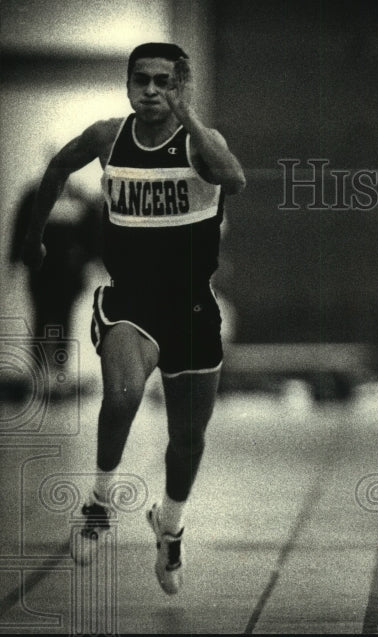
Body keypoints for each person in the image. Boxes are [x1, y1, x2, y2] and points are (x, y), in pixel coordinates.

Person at [20, 42, 246, 595]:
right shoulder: (107, 137)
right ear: (127, 85)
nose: (150, 90)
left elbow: (234, 179)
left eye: (163, 81)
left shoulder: (201, 144)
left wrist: (188, 112)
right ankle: (99, 503)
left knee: (187, 437)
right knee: (120, 394)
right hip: (130, 303)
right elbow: (56, 166)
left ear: (181, 86)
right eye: (140, 79)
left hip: (192, 307)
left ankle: (169, 526)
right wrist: (33, 238)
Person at [8, 173, 102, 397]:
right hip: (44, 272)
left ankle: (57, 374)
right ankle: (41, 372)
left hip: (67, 274)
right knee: (42, 319)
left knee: (61, 321)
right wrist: (13, 259)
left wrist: (92, 258)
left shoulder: (74, 198)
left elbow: (93, 234)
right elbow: (22, 228)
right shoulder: (35, 196)